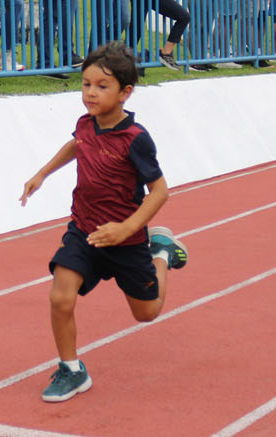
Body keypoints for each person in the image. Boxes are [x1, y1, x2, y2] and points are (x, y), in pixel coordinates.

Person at [18, 42, 188, 402]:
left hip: (124, 239)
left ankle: (161, 253)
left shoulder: (136, 139)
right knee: (60, 296)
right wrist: (42, 174)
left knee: (147, 313)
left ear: (125, 92)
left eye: (101, 86)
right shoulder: (85, 123)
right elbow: (77, 144)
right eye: (86, 84)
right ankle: (72, 370)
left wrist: (127, 229)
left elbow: (159, 191)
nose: (90, 93)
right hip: (84, 230)